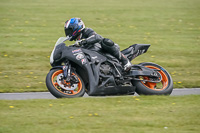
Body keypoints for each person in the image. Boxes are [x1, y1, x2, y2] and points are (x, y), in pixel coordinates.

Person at [64, 17, 132, 71]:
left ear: (76, 27)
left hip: (103, 50)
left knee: (106, 41)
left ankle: (125, 61)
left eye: (70, 30)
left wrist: (84, 41)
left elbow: (97, 37)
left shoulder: (87, 31)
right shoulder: (77, 42)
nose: (68, 33)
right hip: (94, 58)